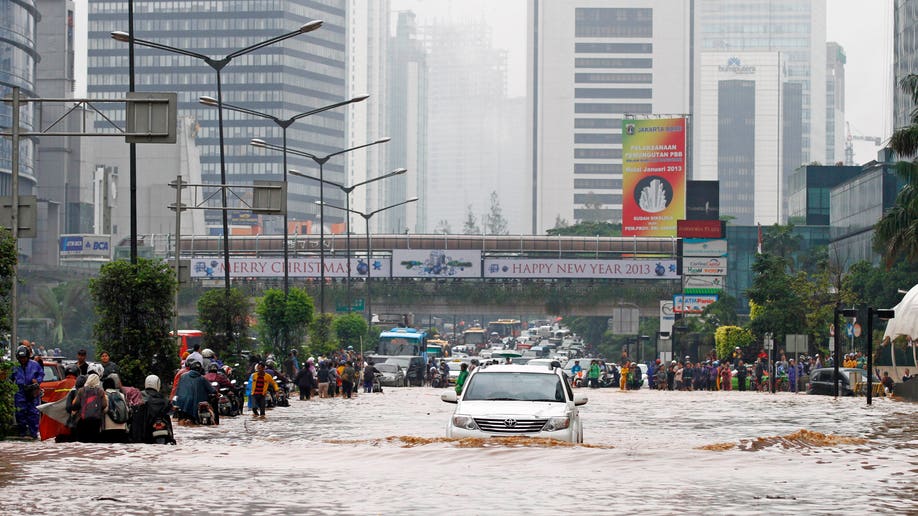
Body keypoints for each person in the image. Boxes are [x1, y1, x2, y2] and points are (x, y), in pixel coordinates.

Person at [12, 345, 44, 439]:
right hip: (20, 392)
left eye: (24, 358)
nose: (22, 360)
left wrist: (37, 381)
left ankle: (33, 434)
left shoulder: (34, 364)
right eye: (20, 358)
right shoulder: (15, 366)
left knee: (33, 413)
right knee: (20, 413)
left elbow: (41, 374)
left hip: (32, 391)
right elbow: (10, 379)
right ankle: (23, 433)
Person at [68, 368, 107, 443]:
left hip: (83, 420)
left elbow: (76, 405)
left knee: (83, 443)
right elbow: (104, 405)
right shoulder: (100, 391)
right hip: (96, 421)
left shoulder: (81, 390)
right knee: (94, 443)